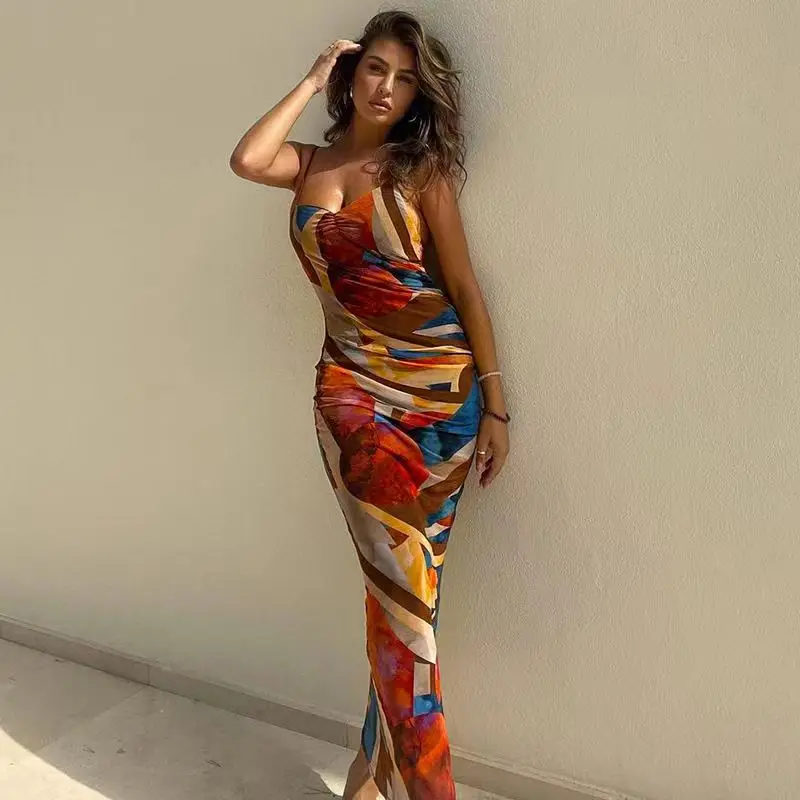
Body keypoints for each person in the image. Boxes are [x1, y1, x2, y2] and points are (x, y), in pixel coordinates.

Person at [230, 10, 509, 799]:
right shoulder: (308, 164)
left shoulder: (420, 174)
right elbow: (247, 158)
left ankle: (366, 775)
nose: (387, 88)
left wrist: (496, 407)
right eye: (375, 69)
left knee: (406, 605)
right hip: (352, 399)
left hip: (443, 405)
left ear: (420, 95)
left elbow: (464, 289)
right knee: (401, 609)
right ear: (352, 74)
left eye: (406, 78)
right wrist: (311, 79)